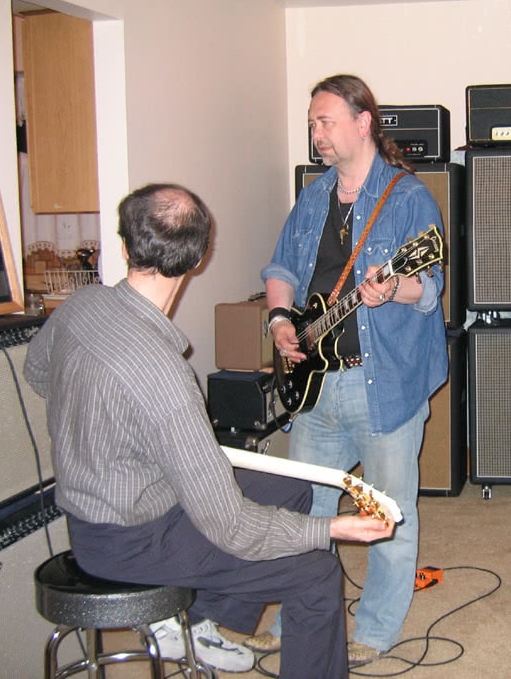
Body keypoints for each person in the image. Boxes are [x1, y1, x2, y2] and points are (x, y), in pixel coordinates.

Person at [24, 183, 392, 678]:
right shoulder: (163, 374)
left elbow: (38, 373)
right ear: (196, 258)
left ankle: (199, 623)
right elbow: (231, 527)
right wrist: (331, 529)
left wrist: (116, 440)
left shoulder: (81, 304)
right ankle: (192, 615)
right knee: (317, 573)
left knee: (291, 489)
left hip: (97, 516)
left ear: (126, 244)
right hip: (133, 542)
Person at [252, 74, 448, 667]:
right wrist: (280, 319)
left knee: (386, 511)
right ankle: (294, 621)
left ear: (363, 123)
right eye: (312, 123)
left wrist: (396, 287)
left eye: (325, 121)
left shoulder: (408, 197)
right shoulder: (313, 196)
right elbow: (280, 265)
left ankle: (377, 631)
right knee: (304, 513)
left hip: (383, 381)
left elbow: (432, 289)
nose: (316, 134)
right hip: (316, 385)